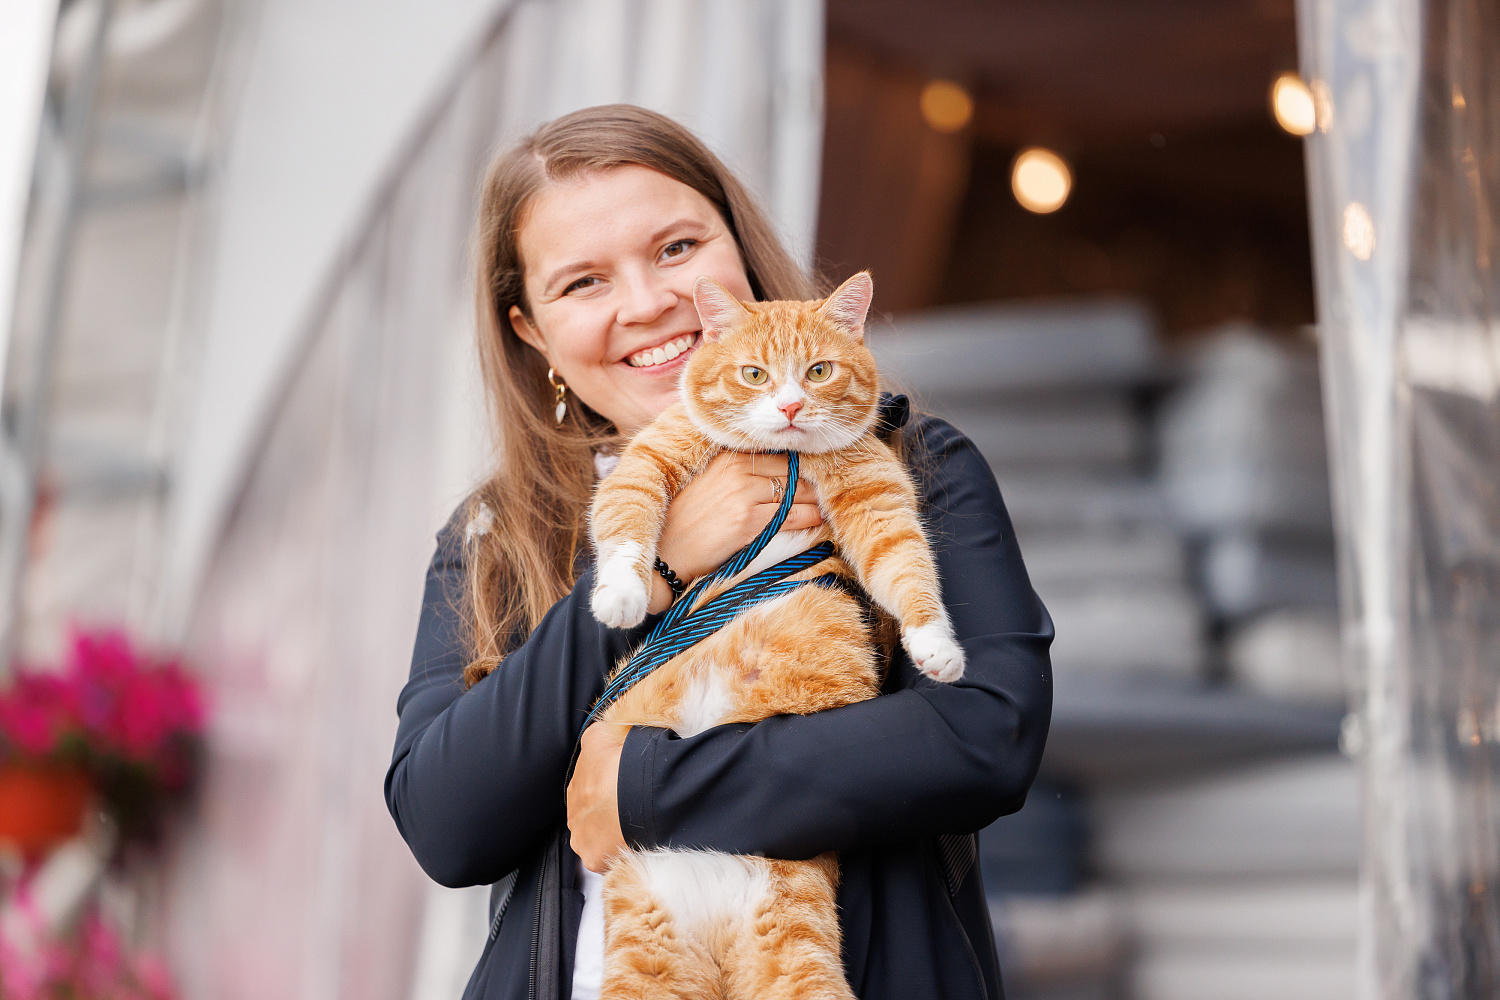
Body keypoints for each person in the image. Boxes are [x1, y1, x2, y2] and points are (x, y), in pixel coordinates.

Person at [384, 104, 1053, 1000]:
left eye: (675, 248)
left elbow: (985, 733)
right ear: (532, 331)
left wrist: (650, 787)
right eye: (582, 283)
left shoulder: (909, 465)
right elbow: (446, 822)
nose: (647, 303)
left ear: (736, 251)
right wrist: (652, 564)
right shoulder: (498, 537)